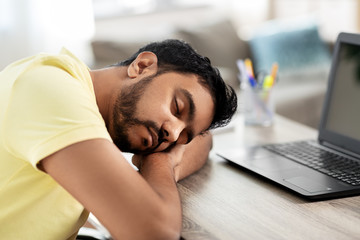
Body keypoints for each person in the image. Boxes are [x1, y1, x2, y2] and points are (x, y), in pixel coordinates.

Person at [0, 39, 237, 240]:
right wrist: (163, 162)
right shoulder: (52, 89)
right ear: (142, 66)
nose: (173, 135)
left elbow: (204, 142)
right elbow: (155, 233)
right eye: (177, 107)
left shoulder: (87, 105)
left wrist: (163, 165)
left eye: (183, 137)